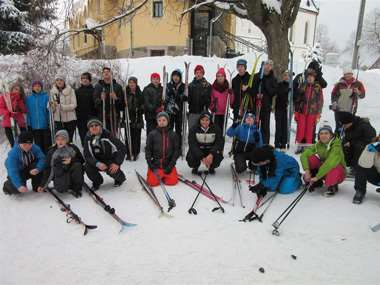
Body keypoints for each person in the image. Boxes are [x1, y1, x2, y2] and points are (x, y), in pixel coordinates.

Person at [300, 124, 346, 196]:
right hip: (324, 170)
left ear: (331, 135)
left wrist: (317, 177)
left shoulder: (336, 146)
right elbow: (304, 155)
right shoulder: (318, 145)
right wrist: (307, 171)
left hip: (338, 172)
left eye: (326, 133)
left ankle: (332, 185)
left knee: (334, 166)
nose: (323, 136)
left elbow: (330, 163)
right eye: (321, 133)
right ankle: (315, 182)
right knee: (311, 159)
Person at [83, 118, 127, 190]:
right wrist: (97, 163)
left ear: (100, 126)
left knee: (113, 171)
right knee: (87, 166)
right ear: (89, 129)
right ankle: (97, 182)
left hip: (110, 160)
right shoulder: (88, 138)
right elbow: (87, 155)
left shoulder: (108, 135)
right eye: (91, 126)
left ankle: (119, 179)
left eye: (96, 125)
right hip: (97, 161)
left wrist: (117, 163)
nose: (94, 127)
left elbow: (122, 148)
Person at [40, 130, 84, 197]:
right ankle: (66, 183)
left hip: (71, 171)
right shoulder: (51, 151)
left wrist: (71, 160)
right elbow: (47, 168)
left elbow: (81, 161)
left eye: (63, 139)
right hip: (60, 173)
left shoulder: (73, 148)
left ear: (67, 140)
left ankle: (76, 187)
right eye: (58, 139)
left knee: (77, 165)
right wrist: (43, 185)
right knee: (61, 190)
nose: (60, 141)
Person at [336, 111, 376, 177]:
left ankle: (357, 169)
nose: (343, 126)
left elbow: (371, 140)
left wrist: (352, 143)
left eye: (345, 125)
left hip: (367, 150)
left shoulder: (364, 126)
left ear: (350, 122)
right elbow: (348, 137)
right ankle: (347, 166)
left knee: (358, 147)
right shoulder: (349, 126)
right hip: (354, 147)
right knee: (342, 145)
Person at [145, 112, 180, 187]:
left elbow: (176, 151)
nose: (162, 122)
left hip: (168, 165)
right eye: (159, 120)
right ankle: (154, 174)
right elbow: (148, 150)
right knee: (152, 183)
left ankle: (168, 174)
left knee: (172, 182)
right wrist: (151, 165)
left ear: (167, 121)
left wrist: (171, 166)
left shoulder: (173, 134)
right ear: (157, 121)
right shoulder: (152, 134)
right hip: (156, 165)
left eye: (164, 120)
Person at [294, 70, 323, 154]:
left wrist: (318, 114)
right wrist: (296, 112)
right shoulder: (303, 85)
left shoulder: (317, 87)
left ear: (314, 78)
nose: (310, 78)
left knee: (309, 131)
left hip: (312, 113)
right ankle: (299, 146)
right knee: (301, 129)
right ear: (306, 78)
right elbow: (297, 99)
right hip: (302, 112)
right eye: (309, 77)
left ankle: (307, 148)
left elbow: (320, 101)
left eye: (312, 77)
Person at [331, 67, 366, 132]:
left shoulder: (358, 84)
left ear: (352, 74)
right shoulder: (339, 84)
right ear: (343, 75)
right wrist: (334, 103)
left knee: (349, 128)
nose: (348, 75)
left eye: (349, 73)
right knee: (338, 127)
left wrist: (358, 92)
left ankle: (347, 141)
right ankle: (337, 140)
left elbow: (362, 95)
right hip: (339, 109)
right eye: (346, 74)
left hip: (351, 110)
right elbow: (333, 94)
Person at [251, 60, 278, 144]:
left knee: (265, 127)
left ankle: (265, 144)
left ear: (271, 67)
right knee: (255, 125)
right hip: (256, 105)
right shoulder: (256, 76)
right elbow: (251, 90)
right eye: (266, 65)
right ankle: (253, 143)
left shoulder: (273, 78)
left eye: (270, 65)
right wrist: (256, 93)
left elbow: (273, 92)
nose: (267, 67)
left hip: (266, 106)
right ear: (263, 66)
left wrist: (266, 85)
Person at [93, 67, 124, 136]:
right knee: (102, 135)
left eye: (108, 72)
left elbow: (122, 104)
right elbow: (95, 102)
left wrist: (116, 99)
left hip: (114, 116)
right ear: (102, 75)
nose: (106, 73)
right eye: (104, 72)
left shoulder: (117, 86)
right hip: (102, 116)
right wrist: (101, 99)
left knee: (113, 136)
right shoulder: (98, 86)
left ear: (111, 74)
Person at [25, 80, 51, 153]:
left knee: (47, 144)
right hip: (34, 127)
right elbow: (28, 112)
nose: (37, 87)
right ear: (32, 88)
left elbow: (49, 111)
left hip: (45, 125)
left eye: (39, 86)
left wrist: (49, 122)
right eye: (35, 86)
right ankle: (41, 160)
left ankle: (48, 160)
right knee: (38, 145)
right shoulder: (29, 99)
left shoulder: (46, 97)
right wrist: (29, 124)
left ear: (41, 87)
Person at [49, 75, 77, 142]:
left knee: (69, 140)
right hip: (58, 120)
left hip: (70, 120)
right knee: (60, 141)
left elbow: (74, 105)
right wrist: (52, 106)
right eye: (57, 80)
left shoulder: (71, 90)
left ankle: (70, 152)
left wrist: (62, 107)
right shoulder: (52, 92)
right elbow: (51, 108)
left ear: (64, 81)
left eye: (61, 80)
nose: (59, 82)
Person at [353, 135, 380, 204]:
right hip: (376, 177)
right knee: (361, 167)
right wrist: (371, 151)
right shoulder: (372, 146)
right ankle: (360, 191)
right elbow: (363, 164)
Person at [124, 76, 144, 160]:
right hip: (128, 117)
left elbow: (143, 104)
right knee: (128, 136)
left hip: (137, 117)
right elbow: (121, 104)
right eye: (130, 82)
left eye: (133, 82)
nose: (131, 84)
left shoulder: (139, 93)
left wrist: (140, 109)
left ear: (136, 84)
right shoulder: (125, 93)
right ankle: (129, 152)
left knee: (136, 136)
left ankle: (136, 152)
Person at [209, 68, 234, 132]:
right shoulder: (213, 87)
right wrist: (212, 107)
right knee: (214, 131)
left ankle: (221, 141)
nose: (220, 78)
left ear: (224, 77)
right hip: (215, 113)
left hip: (224, 113)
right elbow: (210, 99)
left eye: (222, 76)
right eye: (218, 76)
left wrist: (231, 94)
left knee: (222, 131)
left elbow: (231, 102)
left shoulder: (228, 88)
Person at [188, 65, 212, 129]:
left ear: (203, 74)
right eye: (197, 73)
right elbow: (188, 99)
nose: (198, 74)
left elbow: (210, 100)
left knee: (202, 131)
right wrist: (186, 97)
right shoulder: (190, 85)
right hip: (192, 112)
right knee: (192, 130)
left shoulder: (207, 85)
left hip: (203, 113)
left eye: (200, 73)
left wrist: (205, 97)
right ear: (195, 74)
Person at [75, 72, 96, 146]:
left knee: (93, 138)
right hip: (81, 119)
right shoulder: (77, 91)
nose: (84, 80)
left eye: (86, 78)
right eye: (83, 78)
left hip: (92, 118)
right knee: (83, 138)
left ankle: (95, 154)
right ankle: (86, 153)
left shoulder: (94, 90)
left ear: (90, 80)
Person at [165, 69, 186, 144]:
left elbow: (185, 97)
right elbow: (165, 98)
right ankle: (169, 145)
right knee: (169, 129)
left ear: (180, 77)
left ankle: (178, 146)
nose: (175, 78)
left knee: (178, 130)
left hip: (179, 111)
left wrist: (182, 97)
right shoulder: (168, 85)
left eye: (177, 76)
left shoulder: (183, 86)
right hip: (169, 111)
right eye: (174, 76)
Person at [274, 70, 291, 150]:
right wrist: (286, 91)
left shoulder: (291, 86)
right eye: (285, 75)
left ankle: (283, 143)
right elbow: (279, 93)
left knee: (285, 126)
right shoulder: (279, 84)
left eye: (287, 75)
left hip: (286, 109)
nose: (286, 77)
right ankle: (277, 143)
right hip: (279, 108)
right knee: (279, 126)